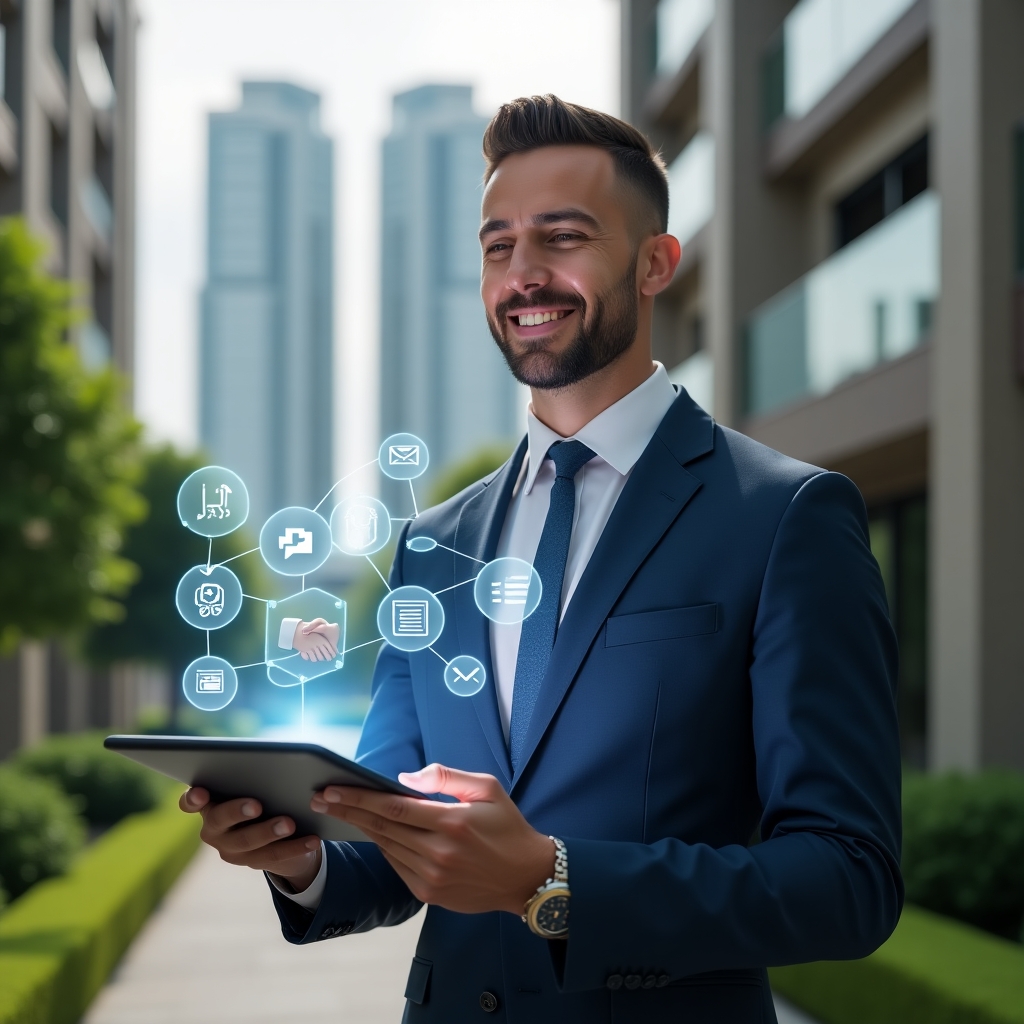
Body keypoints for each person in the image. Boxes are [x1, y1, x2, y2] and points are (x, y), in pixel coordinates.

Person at [180, 95, 902, 1023]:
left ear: (655, 264)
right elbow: (395, 829)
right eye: (497, 246)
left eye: (561, 238)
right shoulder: (434, 544)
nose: (523, 276)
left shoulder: (785, 516)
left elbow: (848, 879)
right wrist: (307, 860)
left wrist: (552, 882)